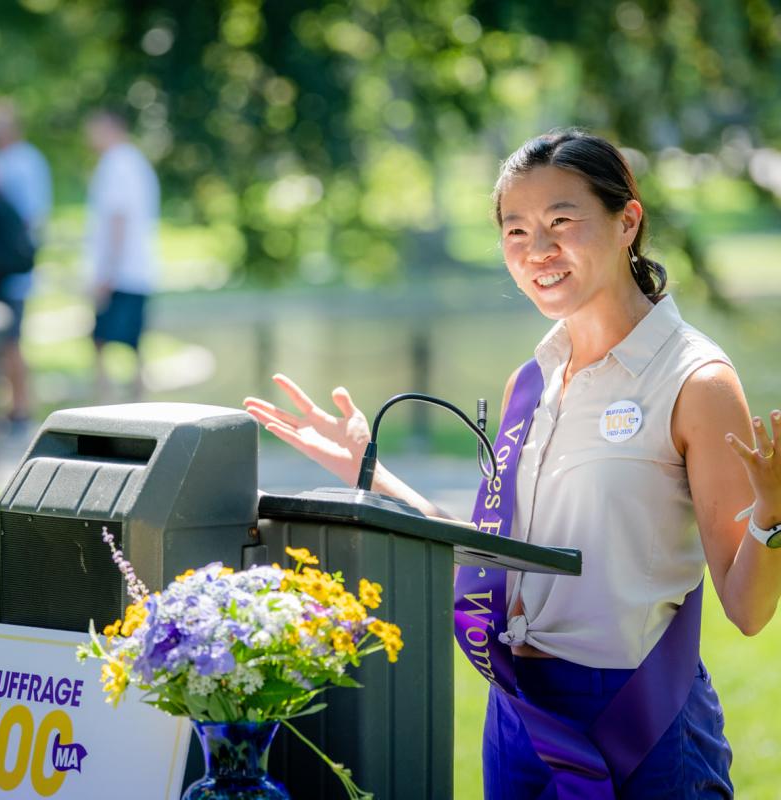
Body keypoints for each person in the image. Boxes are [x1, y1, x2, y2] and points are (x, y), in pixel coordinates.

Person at [243, 129, 781, 798]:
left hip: (639, 725)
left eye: (562, 222)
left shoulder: (694, 380)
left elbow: (749, 609)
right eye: (517, 231)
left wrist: (774, 515)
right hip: (520, 719)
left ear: (627, 222)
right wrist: (368, 466)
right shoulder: (531, 382)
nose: (539, 250)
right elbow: (491, 554)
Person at [0, 99, 52, 430]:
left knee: (11, 340)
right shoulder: (2, 161)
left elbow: (30, 217)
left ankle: (21, 408)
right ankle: (8, 406)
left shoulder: (24, 162)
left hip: (11, 267)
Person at [85, 107, 159, 403]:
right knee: (132, 341)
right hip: (137, 269)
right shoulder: (136, 162)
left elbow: (118, 219)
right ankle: (134, 401)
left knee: (103, 340)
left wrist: (106, 272)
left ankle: (105, 401)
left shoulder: (116, 163)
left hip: (121, 271)